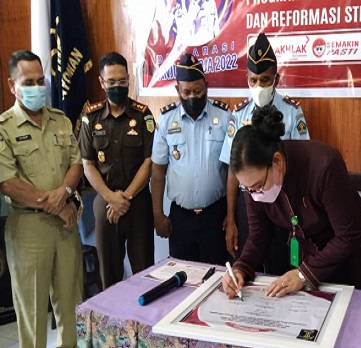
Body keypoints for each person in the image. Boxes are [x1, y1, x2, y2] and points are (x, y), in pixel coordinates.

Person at [222, 105, 361, 300]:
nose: (254, 195)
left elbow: (348, 236)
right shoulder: (253, 184)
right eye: (247, 189)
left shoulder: (324, 165)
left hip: (348, 260)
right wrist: (241, 268)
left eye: (258, 186)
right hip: (308, 260)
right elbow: (258, 236)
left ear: (277, 161)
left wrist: (304, 274)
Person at [0, 50, 84, 348]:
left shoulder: (60, 120)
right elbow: (8, 182)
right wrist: (53, 204)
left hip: (64, 222)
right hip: (29, 227)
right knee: (32, 304)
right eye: (28, 82)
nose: (37, 87)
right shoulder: (5, 128)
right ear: (12, 85)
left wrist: (64, 194)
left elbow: (76, 163)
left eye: (40, 81)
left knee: (70, 295)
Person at [219, 32, 310, 273]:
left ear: (276, 78)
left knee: (283, 268)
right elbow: (232, 169)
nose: (259, 86)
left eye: (265, 79)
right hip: (249, 202)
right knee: (249, 266)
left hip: (283, 202)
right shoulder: (239, 113)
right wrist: (231, 218)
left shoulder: (292, 112)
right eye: (253, 80)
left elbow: (302, 163)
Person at [79, 51, 155, 289]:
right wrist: (111, 197)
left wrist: (126, 197)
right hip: (105, 202)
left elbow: (149, 162)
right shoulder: (91, 117)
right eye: (111, 82)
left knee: (145, 272)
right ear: (101, 82)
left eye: (122, 81)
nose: (117, 87)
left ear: (129, 79)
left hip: (137, 202)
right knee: (109, 273)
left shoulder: (143, 115)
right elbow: (87, 164)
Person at [151, 53, 231, 265]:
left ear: (206, 86)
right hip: (181, 219)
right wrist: (158, 214)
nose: (192, 97)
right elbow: (157, 171)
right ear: (177, 89)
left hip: (216, 215)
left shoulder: (224, 117)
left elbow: (233, 170)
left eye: (198, 91)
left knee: (218, 274)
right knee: (182, 276)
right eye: (186, 92)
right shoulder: (166, 120)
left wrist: (232, 215)